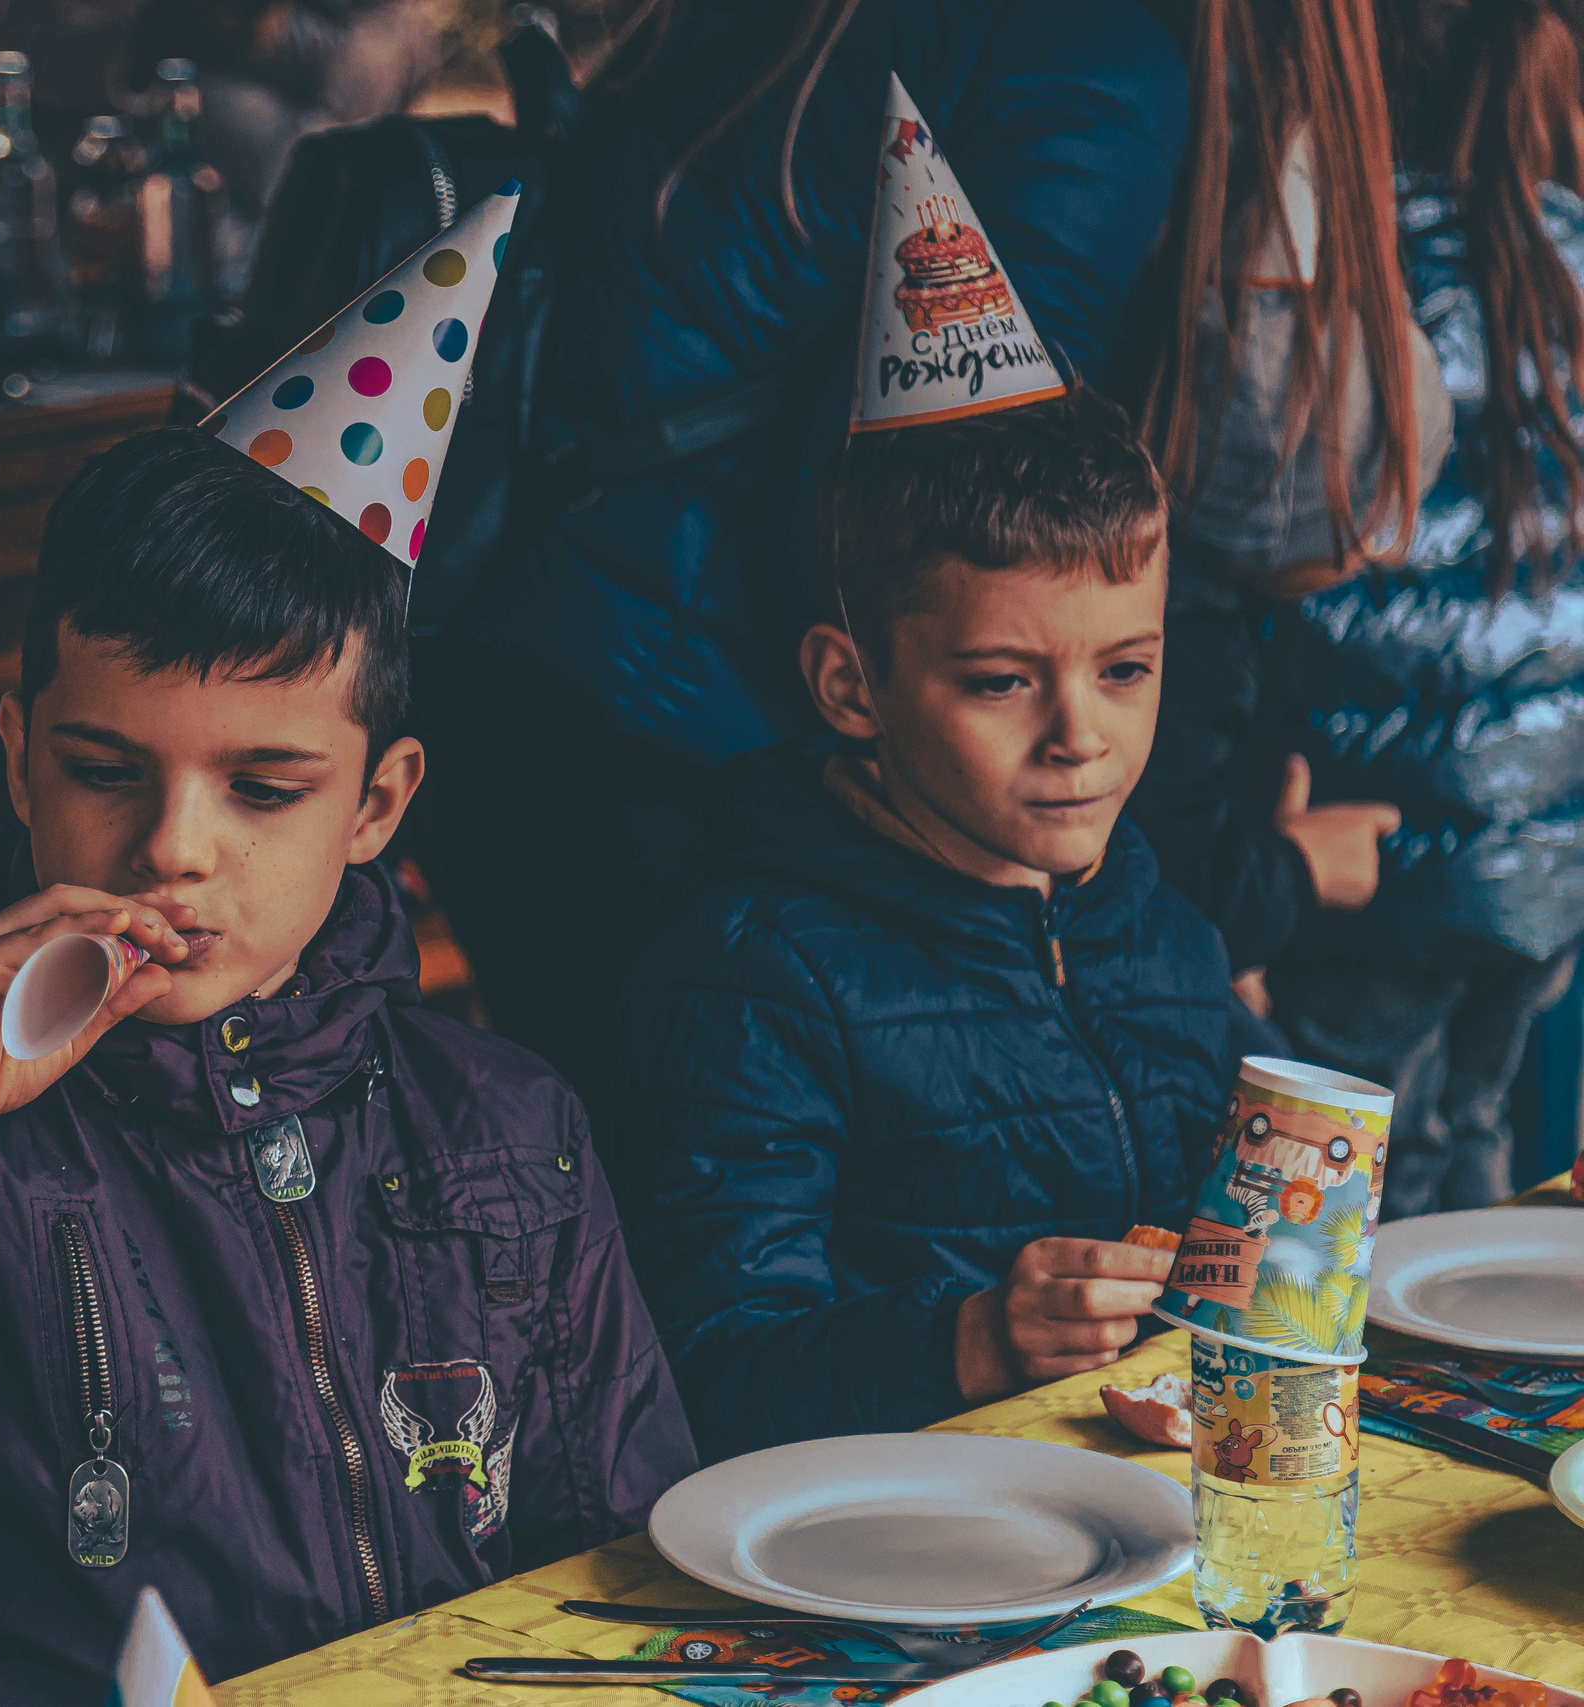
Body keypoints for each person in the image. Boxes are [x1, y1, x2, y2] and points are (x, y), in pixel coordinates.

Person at [0, 416, 693, 1691]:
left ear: (376, 803)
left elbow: (622, 1557)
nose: (171, 849)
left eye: (264, 789)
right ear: (21, 762)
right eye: (102, 770)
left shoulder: (506, 1123)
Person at [411, 0, 1190, 1190]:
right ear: (851, 680)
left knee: (596, 1198)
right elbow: (966, 481)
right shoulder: (1081, 49)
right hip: (692, 731)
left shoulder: (796, 24)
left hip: (529, 661)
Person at [621, 120, 1231, 1457]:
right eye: (1003, 681)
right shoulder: (761, 979)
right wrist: (974, 1338)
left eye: (1125, 669)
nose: (1080, 736)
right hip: (898, 1534)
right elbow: (704, 1374)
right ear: (853, 687)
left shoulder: (1167, 938)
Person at [1254, 0, 1584, 1217]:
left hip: (1375, 850)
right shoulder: (1570, 250)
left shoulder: (1334, 261)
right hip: (1548, 851)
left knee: (1334, 1188)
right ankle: (1469, 1341)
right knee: (1473, 1125)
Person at [1120, 0, 1447, 1011]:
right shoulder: (1186, 654)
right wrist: (1294, 872)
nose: (1378, 554)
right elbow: (1160, 893)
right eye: (1354, 525)